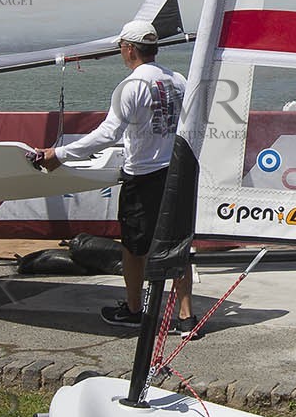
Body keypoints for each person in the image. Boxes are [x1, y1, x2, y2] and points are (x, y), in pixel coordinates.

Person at [39, 20, 193, 333]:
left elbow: (108, 134)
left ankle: (135, 310)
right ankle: (186, 318)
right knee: (177, 245)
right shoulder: (179, 79)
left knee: (134, 249)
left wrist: (60, 154)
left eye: (121, 46)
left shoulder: (131, 86)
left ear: (129, 49)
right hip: (177, 172)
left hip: (145, 176)